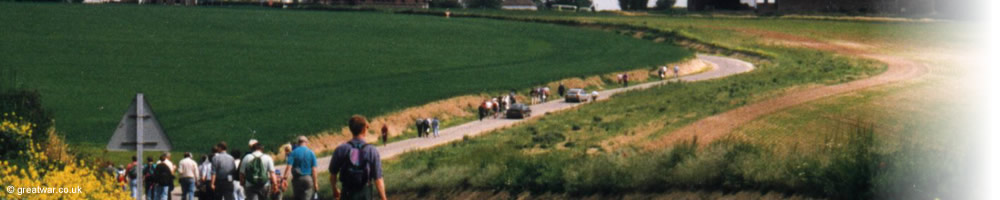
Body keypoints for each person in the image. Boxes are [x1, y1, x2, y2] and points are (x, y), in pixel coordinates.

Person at [329, 115, 388, 200]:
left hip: (347, 192)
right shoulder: (371, 150)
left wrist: (334, 190)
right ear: (364, 129)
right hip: (365, 192)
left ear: (351, 129)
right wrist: (384, 198)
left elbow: (333, 174)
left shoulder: (341, 149)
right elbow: (378, 179)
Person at [283, 136, 318, 200]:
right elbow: (314, 170)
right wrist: (315, 183)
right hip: (308, 179)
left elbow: (288, 167)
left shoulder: (293, 153)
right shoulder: (311, 153)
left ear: (298, 143)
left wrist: (284, 179)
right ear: (306, 142)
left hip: (297, 180)